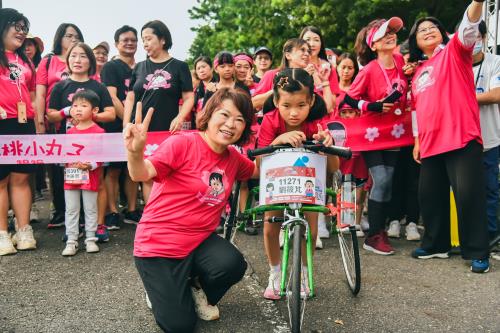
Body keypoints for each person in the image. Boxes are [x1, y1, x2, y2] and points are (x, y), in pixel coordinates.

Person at [125, 88, 256, 332]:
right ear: (209, 114)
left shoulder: (233, 158)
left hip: (198, 241)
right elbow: (141, 173)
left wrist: (282, 141)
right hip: (158, 246)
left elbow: (259, 169)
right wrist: (135, 152)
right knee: (180, 326)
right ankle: (157, 290)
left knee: (233, 264)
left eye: (239, 120)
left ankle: (197, 288)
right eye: (225, 115)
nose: (231, 124)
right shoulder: (182, 142)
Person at [408, 0, 490, 273]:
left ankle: (478, 251)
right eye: (422, 30)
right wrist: (418, 140)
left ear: (443, 34)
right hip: (430, 142)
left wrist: (477, 2)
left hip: (461, 136)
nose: (428, 30)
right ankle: (436, 245)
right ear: (416, 42)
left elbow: (468, 28)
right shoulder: (417, 72)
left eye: (433, 27)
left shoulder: (455, 51)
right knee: (429, 196)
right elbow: (417, 109)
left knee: (468, 195)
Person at [257, 68, 338, 299]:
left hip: (309, 183)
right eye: (286, 105)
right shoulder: (270, 122)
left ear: (312, 100)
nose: (294, 113)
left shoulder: (317, 124)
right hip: (276, 180)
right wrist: (277, 141)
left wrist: (326, 145)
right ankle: (274, 272)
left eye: (301, 105)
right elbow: (258, 163)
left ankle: (303, 273)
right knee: (270, 226)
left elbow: (334, 168)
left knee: (310, 230)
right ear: (275, 101)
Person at [344, 17, 409, 255]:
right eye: (383, 35)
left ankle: (378, 230)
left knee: (387, 182)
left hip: (395, 133)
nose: (391, 36)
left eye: (392, 32)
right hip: (372, 134)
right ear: (373, 45)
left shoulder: (402, 62)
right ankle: (373, 236)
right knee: (380, 180)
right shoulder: (370, 69)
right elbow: (348, 98)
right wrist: (371, 106)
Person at [47, 42, 115, 241]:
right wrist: (66, 112)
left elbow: (110, 114)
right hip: (70, 144)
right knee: (72, 182)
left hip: (94, 141)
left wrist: (89, 117)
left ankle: (99, 225)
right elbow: (50, 115)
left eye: (83, 56)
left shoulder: (98, 86)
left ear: (90, 61)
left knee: (98, 183)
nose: (78, 60)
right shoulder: (61, 86)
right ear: (67, 60)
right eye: (73, 56)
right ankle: (73, 229)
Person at [123, 20, 194, 203]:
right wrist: (126, 124)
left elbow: (189, 97)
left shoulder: (179, 66)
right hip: (142, 131)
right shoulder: (139, 67)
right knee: (146, 175)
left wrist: (180, 116)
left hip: (167, 129)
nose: (145, 43)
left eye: (148, 38)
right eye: (143, 40)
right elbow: (131, 98)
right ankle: (151, 215)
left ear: (162, 39)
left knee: (167, 174)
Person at [35, 23, 84, 229]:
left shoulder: (83, 59)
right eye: (68, 35)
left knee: (80, 167)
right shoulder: (48, 61)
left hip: (82, 126)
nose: (72, 39)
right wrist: (40, 123)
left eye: (76, 36)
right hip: (55, 123)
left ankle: (80, 213)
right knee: (56, 170)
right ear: (59, 38)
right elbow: (39, 93)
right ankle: (60, 210)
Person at [0, 8, 38, 256]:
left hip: (24, 123)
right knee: (0, 180)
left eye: (24, 27)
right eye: (16, 26)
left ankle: (23, 229)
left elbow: (33, 93)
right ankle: (2, 233)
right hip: (1, 122)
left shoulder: (25, 60)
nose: (21, 32)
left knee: (21, 177)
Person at [101, 25, 142, 226]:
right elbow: (111, 96)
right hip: (117, 125)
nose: (129, 43)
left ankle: (132, 209)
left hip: (139, 125)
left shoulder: (143, 67)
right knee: (114, 170)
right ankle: (112, 210)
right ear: (117, 44)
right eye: (125, 40)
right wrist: (127, 122)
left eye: (133, 40)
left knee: (132, 168)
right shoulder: (111, 67)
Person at [62, 90, 104, 256]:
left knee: (90, 207)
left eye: (84, 106)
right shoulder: (70, 132)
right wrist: (70, 163)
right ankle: (71, 241)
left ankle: (91, 239)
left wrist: (91, 165)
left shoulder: (99, 132)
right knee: (71, 208)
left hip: (90, 176)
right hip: (71, 175)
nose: (78, 109)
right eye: (75, 106)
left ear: (94, 110)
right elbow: (64, 154)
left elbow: (102, 155)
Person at [472, 21, 500, 244]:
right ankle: (468, 232)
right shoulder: (456, 64)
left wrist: (463, 99)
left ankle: (491, 232)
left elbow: (496, 94)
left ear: (483, 38)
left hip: (489, 136)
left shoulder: (495, 62)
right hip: (462, 140)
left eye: (477, 37)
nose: (473, 42)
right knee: (467, 189)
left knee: (490, 188)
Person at [335, 103, 368, 237]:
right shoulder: (337, 130)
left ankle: (357, 223)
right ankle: (343, 223)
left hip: (361, 167)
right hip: (344, 168)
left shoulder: (364, 126)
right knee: (344, 196)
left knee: (359, 199)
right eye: (344, 112)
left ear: (357, 113)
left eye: (350, 112)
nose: (347, 115)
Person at [299, 26, 338, 112]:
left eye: (316, 40)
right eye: (308, 40)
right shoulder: (296, 67)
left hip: (326, 119)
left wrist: (322, 82)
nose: (312, 44)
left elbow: (332, 104)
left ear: (321, 43)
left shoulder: (329, 67)